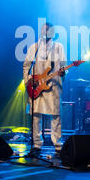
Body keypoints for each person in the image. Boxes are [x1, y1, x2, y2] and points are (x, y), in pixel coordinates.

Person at [23, 23, 66, 156]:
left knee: (55, 116)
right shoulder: (34, 47)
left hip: (52, 86)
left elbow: (63, 66)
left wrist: (63, 73)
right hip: (37, 86)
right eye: (43, 29)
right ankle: (36, 144)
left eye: (48, 29)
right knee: (36, 116)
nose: (45, 31)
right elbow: (26, 66)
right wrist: (28, 81)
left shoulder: (59, 47)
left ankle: (58, 144)